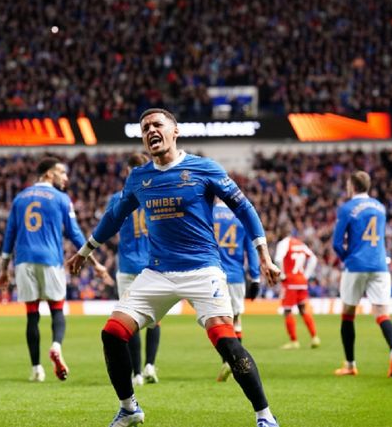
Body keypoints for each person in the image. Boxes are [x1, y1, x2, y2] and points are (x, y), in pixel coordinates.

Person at [67, 108, 281, 427]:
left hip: (202, 270)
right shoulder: (140, 177)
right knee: (112, 333)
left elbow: (243, 207)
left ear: (174, 131)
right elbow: (115, 217)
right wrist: (86, 250)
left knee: (226, 341)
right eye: (145, 128)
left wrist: (263, 253)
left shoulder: (203, 168)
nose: (151, 131)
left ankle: (264, 415)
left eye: (157, 125)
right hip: (157, 272)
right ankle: (129, 408)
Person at [0, 157, 108, 382]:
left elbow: (9, 234)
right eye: (62, 173)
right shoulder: (61, 198)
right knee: (57, 310)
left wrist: (3, 268)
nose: (66, 177)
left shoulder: (20, 198)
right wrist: (95, 263)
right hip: (50, 260)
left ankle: (36, 368)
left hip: (24, 261)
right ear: (49, 174)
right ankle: (56, 346)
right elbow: (75, 234)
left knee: (32, 316)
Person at [332, 171, 392, 378]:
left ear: (352, 186)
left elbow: (336, 243)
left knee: (347, 314)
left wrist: (347, 258)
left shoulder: (347, 208)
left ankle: (351, 364)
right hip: (380, 265)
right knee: (382, 313)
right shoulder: (380, 207)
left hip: (356, 265)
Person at [108, 153, 161, 387]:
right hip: (152, 265)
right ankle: (150, 364)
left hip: (128, 266)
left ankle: (136, 373)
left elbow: (108, 229)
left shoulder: (116, 198)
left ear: (127, 170)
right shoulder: (156, 195)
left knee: (131, 319)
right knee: (154, 320)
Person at [213, 198, 261, 382]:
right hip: (235, 275)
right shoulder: (239, 216)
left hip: (212, 273)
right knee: (236, 318)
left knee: (218, 320)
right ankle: (235, 364)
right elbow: (251, 248)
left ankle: (226, 361)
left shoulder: (207, 213)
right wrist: (255, 277)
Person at [274, 223, 320, 350]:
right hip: (301, 281)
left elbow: (278, 259)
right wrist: (306, 275)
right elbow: (313, 259)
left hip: (290, 281)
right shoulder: (300, 243)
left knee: (287, 310)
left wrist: (282, 274)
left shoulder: (283, 243)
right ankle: (314, 337)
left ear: (282, 232)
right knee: (303, 309)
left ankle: (294, 341)